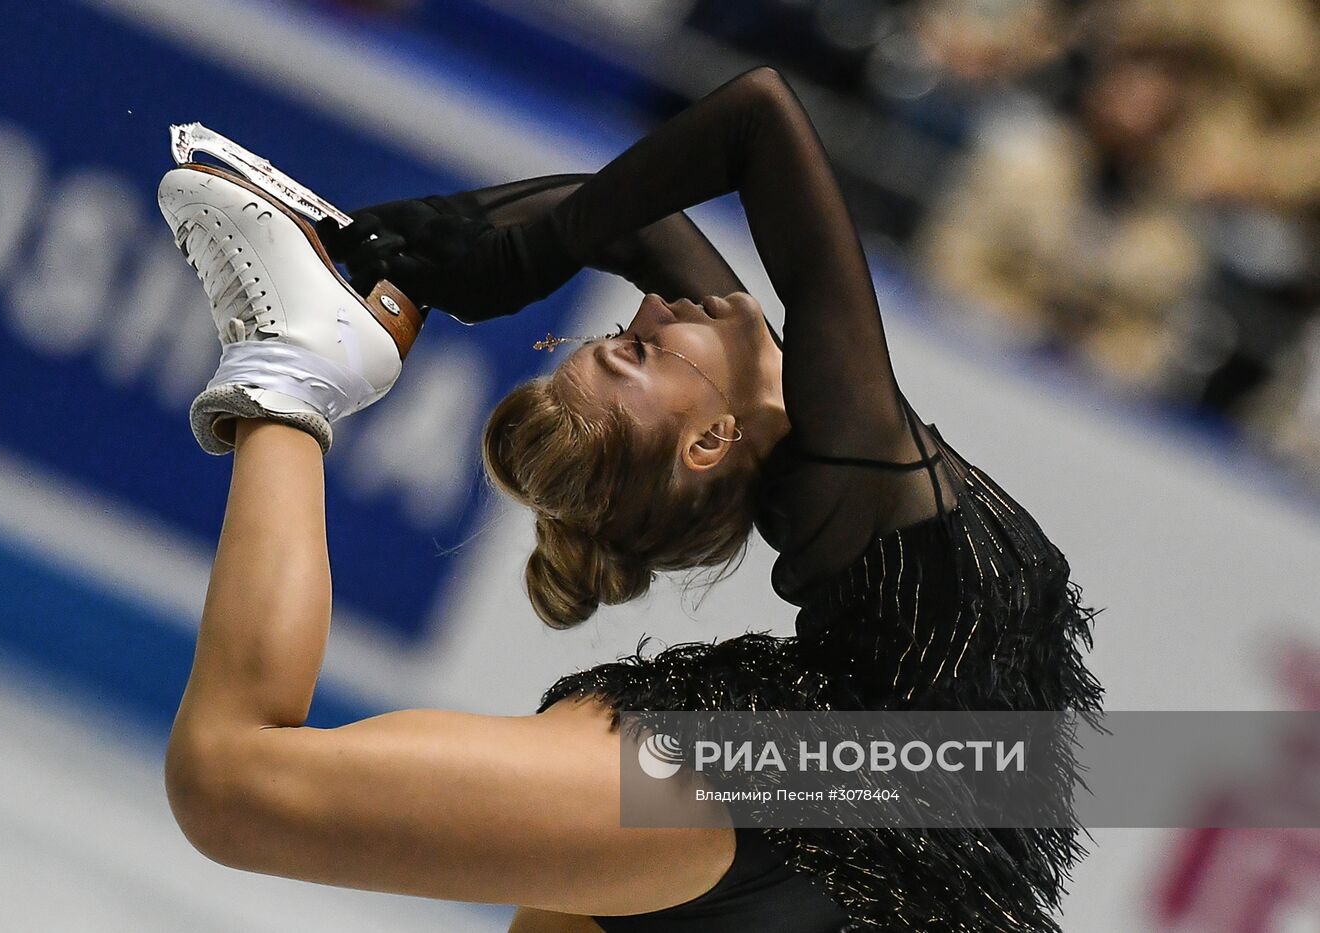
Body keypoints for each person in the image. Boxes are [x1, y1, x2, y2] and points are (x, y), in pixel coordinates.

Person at [162, 67, 1100, 932]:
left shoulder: (809, 444)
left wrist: (413, 244)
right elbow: (745, 127)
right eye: (641, 351)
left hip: (866, 826)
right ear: (705, 441)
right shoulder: (853, 453)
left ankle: (306, 352)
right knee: (233, 781)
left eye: (626, 336)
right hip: (803, 783)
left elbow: (633, 210)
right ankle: (294, 376)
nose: (654, 307)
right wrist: (509, 253)